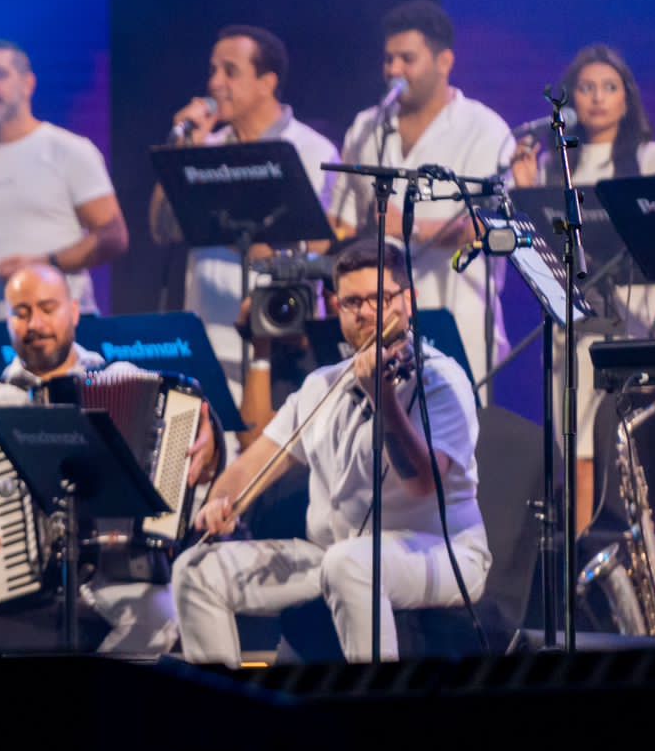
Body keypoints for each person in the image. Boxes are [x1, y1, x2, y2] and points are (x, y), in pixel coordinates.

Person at [173, 242, 490, 665]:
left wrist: (383, 399)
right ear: (337, 307)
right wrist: (221, 501)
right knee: (195, 570)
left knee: (350, 564)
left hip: (440, 553)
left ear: (409, 301)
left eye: (380, 299)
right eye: (353, 302)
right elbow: (252, 465)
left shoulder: (440, 380)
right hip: (334, 553)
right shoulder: (323, 385)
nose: (366, 312)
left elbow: (422, 482)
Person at [0, 264, 219, 656]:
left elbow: (192, 430)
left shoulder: (123, 377)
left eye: (47, 308)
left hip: (109, 568)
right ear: (8, 322)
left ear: (73, 312)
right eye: (21, 313)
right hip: (8, 562)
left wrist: (211, 439)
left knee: (162, 614)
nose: (35, 324)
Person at [511, 44, 655, 532]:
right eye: (586, 88)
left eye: (609, 87)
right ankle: (584, 551)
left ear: (627, 98)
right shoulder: (554, 165)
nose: (596, 98)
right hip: (579, 329)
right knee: (580, 450)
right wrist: (525, 191)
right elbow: (539, 254)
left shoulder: (653, 157)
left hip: (644, 324)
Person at [331, 0, 514, 393]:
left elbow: (493, 226)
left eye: (407, 59)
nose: (394, 70)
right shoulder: (366, 127)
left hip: (457, 315)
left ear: (444, 62)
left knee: (455, 426)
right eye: (389, 59)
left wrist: (410, 227)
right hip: (378, 320)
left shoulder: (485, 130)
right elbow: (343, 221)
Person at [149, 25, 338, 404]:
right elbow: (162, 229)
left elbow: (312, 246)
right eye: (213, 70)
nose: (214, 83)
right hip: (205, 343)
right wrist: (182, 154)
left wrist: (225, 226)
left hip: (275, 343)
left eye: (230, 71)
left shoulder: (311, 150)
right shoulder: (206, 147)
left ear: (267, 82)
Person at [0, 40, 129, 370]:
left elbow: (113, 235)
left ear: (28, 84)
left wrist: (42, 264)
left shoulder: (68, 149)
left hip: (63, 330)